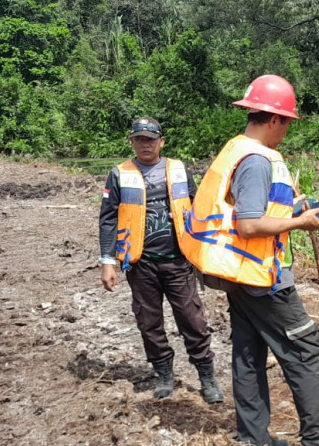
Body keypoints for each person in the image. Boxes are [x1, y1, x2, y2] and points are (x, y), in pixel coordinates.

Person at [180, 75, 319, 446]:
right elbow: (249, 224)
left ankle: (253, 438)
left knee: (248, 352)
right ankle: (317, 440)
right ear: (274, 120)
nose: (286, 131)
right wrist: (301, 222)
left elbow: (247, 209)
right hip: (260, 276)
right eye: (286, 123)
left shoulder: (235, 149)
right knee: (305, 348)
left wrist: (293, 209)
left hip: (238, 273)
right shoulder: (256, 160)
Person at [98, 117, 223, 404]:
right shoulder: (119, 174)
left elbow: (199, 208)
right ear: (132, 142)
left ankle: (206, 376)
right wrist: (107, 262)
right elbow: (107, 219)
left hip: (178, 261)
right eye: (139, 139)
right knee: (149, 322)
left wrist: (208, 251)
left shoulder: (179, 169)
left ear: (161, 142)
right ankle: (164, 374)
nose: (145, 144)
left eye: (150, 139)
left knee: (192, 319)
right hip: (139, 263)